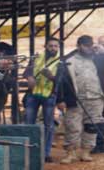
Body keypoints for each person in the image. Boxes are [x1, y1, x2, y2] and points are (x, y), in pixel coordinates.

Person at [57, 35, 104, 163]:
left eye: (90, 45)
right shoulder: (68, 61)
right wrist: (60, 99)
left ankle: (86, 151)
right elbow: (60, 82)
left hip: (95, 98)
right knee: (73, 126)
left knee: (92, 126)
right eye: (86, 45)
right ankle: (70, 153)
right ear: (78, 46)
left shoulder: (98, 59)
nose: (89, 48)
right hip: (76, 99)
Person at [24, 38, 60, 162]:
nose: (53, 48)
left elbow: (62, 80)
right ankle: (28, 151)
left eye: (56, 46)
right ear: (45, 46)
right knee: (29, 123)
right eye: (51, 46)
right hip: (33, 94)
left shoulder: (60, 61)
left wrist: (52, 77)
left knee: (48, 126)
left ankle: (46, 153)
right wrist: (29, 77)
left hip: (49, 95)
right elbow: (27, 71)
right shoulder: (36, 57)